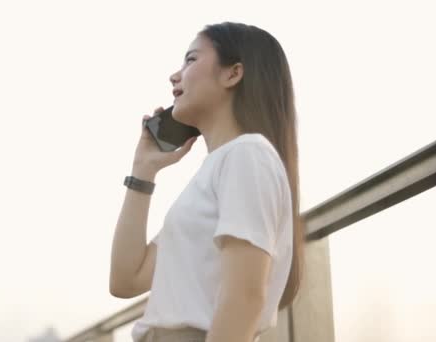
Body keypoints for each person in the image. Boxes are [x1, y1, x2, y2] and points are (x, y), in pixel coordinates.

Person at [109, 22, 305, 342]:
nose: (175, 76)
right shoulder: (222, 167)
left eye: (190, 60)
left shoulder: (247, 155)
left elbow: (244, 297)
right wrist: (142, 170)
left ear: (233, 74)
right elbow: (125, 280)